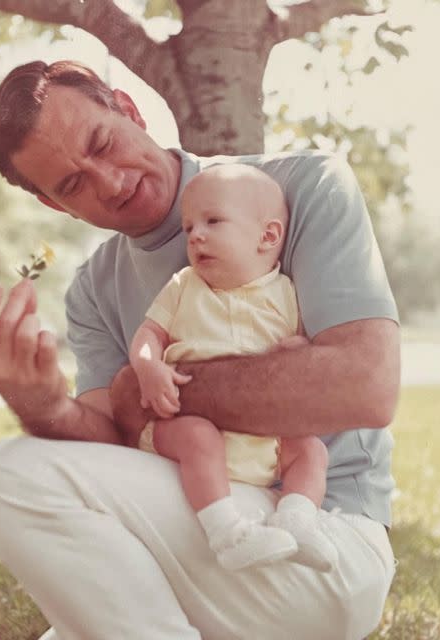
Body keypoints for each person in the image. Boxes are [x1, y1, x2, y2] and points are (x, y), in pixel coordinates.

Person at [0, 60, 400, 640]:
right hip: (206, 541)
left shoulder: (301, 188)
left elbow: (365, 387)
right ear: (56, 207)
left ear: (128, 107)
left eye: (103, 142)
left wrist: (147, 395)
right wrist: (44, 408)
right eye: (73, 185)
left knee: (6, 475)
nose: (112, 182)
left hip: (321, 539)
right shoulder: (93, 291)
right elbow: (113, 449)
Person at [130, 164, 337, 572]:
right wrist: (148, 368)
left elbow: (303, 349)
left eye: (213, 221)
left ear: (268, 236)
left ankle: (297, 516)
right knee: (199, 436)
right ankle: (228, 534)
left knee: (310, 449)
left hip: (263, 441)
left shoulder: (286, 293)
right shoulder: (184, 285)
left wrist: (298, 349)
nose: (196, 236)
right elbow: (148, 336)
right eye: (189, 228)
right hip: (185, 424)